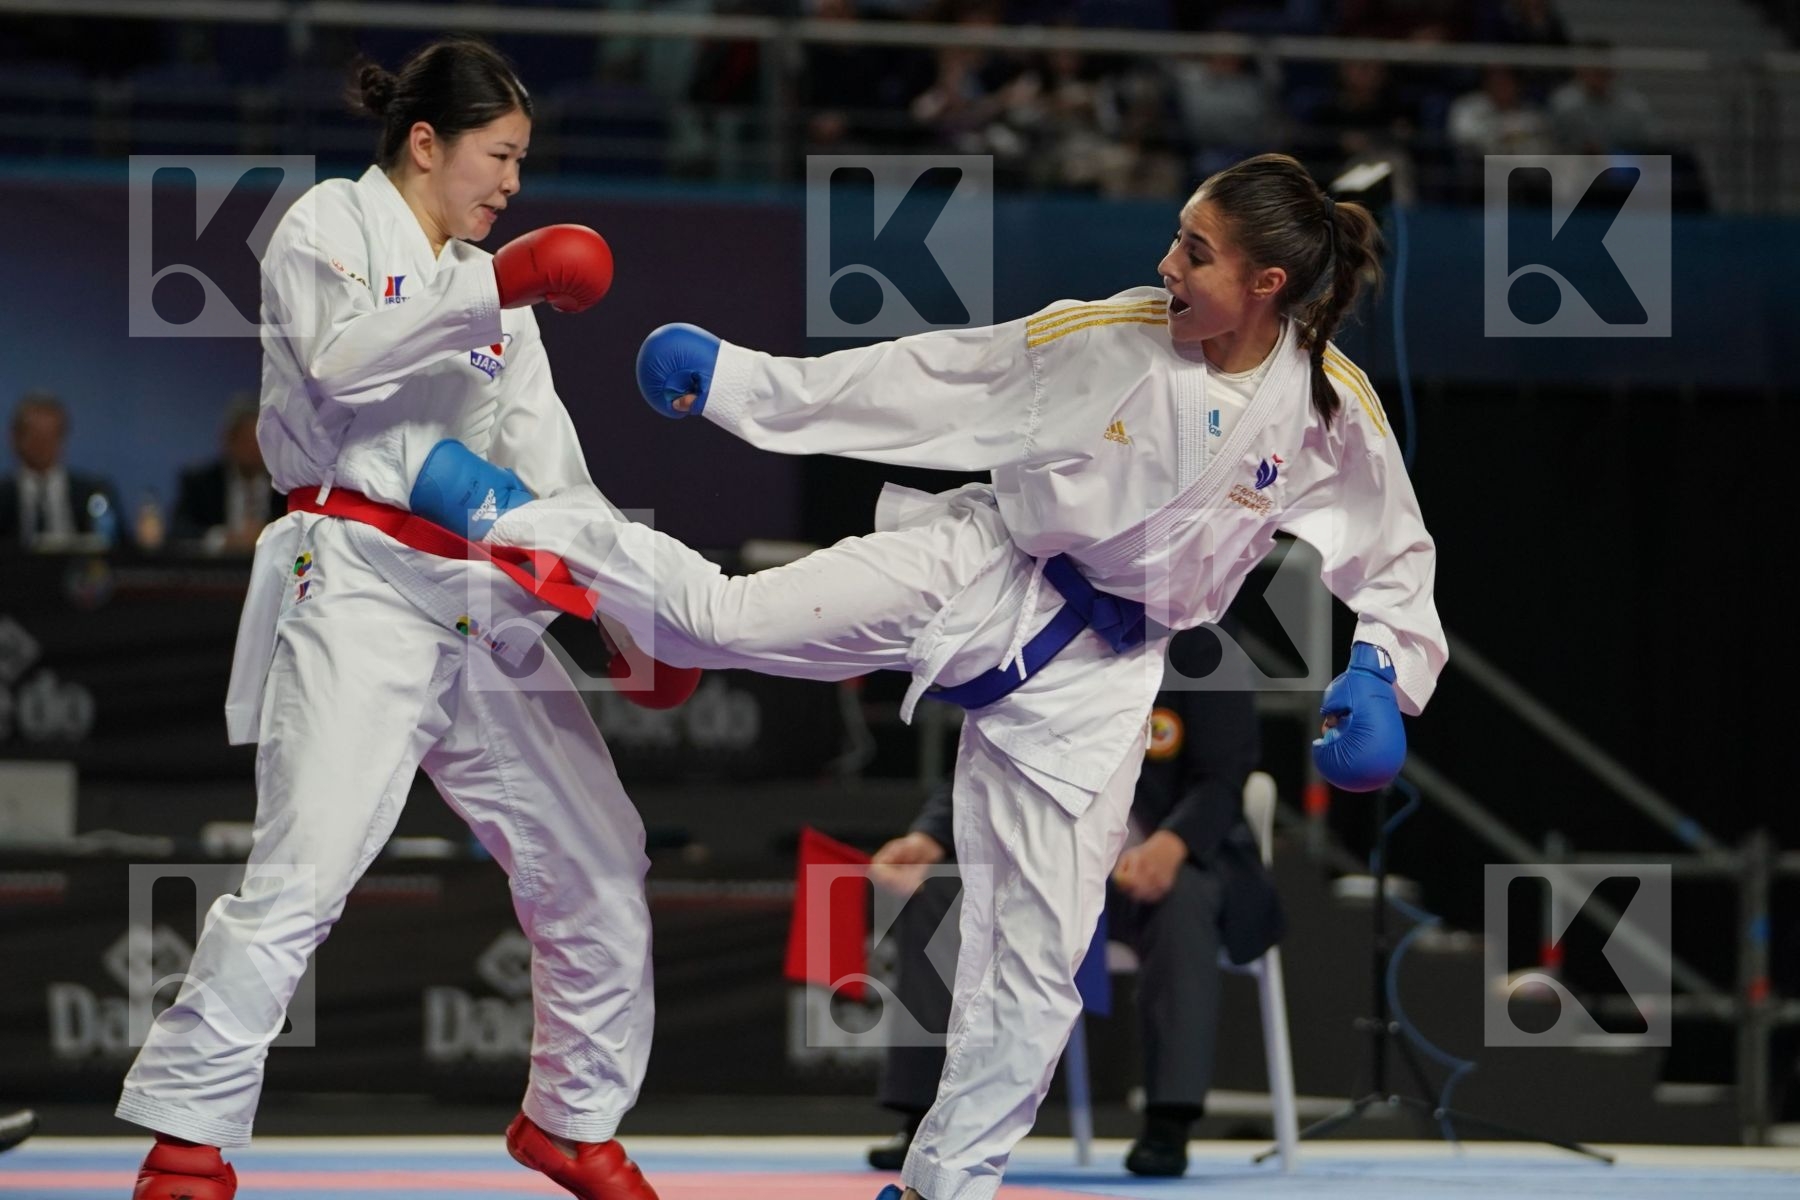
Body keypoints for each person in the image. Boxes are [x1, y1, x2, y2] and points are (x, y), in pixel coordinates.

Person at [423, 151, 1445, 1200]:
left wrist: (1378, 671)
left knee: (1039, 977)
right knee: (724, 619)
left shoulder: (1327, 408)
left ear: (1268, 284)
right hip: (987, 571)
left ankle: (937, 1189)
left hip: (1098, 684)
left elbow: (1396, 554)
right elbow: (932, 382)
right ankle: (505, 513)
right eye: (1177, 236)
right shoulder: (1109, 341)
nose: (1166, 263)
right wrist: (746, 386)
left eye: (1196, 250)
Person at [118, 37, 685, 1200]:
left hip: (482, 605)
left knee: (599, 855)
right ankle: (188, 1139)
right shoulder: (330, 222)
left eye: (524, 162)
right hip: (363, 578)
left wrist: (631, 614)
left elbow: (549, 468)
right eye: (499, 155)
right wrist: (499, 282)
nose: (513, 185)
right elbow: (337, 367)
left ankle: (571, 1121)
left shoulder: (501, 294)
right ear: (425, 143)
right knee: (308, 863)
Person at [866, 626, 1274, 1179]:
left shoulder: (1201, 651)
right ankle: (924, 1120)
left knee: (1183, 901)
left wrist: (1172, 844)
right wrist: (930, 837)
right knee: (938, 888)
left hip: (1152, 869)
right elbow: (987, 753)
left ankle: (1167, 1123)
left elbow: (1224, 778)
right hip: (1047, 863)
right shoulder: (1040, 631)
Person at [0, 391, 123, 549]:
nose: (43, 445)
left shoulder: (94, 492)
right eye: (35, 436)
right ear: (15, 438)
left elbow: (118, 550)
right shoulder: (3, 496)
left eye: (50, 436)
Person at [171, 396, 285, 551]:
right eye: (246, 440)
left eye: (259, 440)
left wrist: (268, 535)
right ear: (229, 441)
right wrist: (222, 538)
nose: (253, 448)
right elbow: (179, 530)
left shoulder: (286, 486)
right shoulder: (200, 483)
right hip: (217, 571)